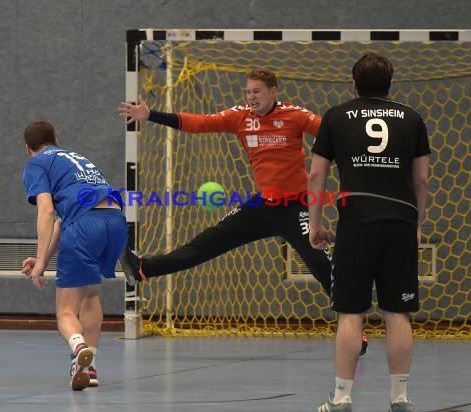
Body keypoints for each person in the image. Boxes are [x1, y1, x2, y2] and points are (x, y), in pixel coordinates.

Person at [117, 70, 367, 354]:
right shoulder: (239, 117)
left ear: (273, 92)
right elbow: (199, 123)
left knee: (323, 269)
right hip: (261, 207)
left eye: (257, 91)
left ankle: (355, 331)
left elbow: (331, 132)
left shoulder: (295, 115)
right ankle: (143, 269)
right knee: (205, 244)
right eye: (248, 92)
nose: (251, 97)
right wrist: (152, 115)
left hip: (297, 208)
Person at [308, 53, 430, 412]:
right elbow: (421, 179)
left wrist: (315, 223)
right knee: (398, 313)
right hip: (399, 225)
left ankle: (343, 398)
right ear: (390, 84)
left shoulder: (336, 116)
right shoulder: (412, 118)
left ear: (354, 84)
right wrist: (417, 224)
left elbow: (317, 176)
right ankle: (400, 398)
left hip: (356, 224)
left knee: (350, 313)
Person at [20, 121, 128, 391]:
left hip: (84, 225)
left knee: (66, 311)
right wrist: (43, 260)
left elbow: (46, 212)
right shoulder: (75, 158)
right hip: (115, 221)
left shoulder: (36, 164)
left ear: (27, 149)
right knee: (91, 295)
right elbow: (60, 221)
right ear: (55, 139)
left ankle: (78, 346)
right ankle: (87, 368)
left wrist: (38, 262)